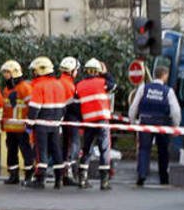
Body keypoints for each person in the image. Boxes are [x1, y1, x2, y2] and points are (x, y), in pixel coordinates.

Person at [128, 65, 181, 186]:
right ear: (165, 76)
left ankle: (142, 175)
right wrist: (175, 125)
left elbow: (134, 106)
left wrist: (132, 122)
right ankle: (163, 177)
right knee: (163, 151)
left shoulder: (144, 88)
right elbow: (175, 111)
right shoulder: (168, 91)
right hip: (163, 124)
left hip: (145, 122)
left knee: (144, 149)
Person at [75, 58, 117, 190]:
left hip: (88, 122)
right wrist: (105, 73)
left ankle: (82, 179)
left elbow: (76, 103)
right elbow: (114, 85)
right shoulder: (102, 82)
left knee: (86, 150)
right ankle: (104, 182)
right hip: (102, 121)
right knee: (104, 149)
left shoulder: (79, 85)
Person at [27, 56, 68, 189]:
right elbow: (63, 107)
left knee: (41, 152)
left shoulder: (39, 86)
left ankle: (40, 179)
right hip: (56, 124)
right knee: (57, 151)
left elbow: (34, 108)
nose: (33, 73)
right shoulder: (59, 84)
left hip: (42, 124)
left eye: (34, 71)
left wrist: (29, 124)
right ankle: (59, 179)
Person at [0, 59, 35, 185]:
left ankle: (29, 175)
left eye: (7, 72)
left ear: (14, 73)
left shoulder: (25, 88)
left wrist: (30, 125)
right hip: (10, 127)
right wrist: (2, 123)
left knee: (26, 151)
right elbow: (5, 108)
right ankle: (13, 175)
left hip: (22, 127)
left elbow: (31, 106)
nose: (5, 75)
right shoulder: (6, 90)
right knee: (11, 151)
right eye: (4, 72)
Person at [58, 56, 81, 185]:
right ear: (72, 71)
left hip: (60, 121)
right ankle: (70, 173)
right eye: (76, 70)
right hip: (70, 120)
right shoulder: (70, 85)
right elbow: (73, 106)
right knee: (74, 145)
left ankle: (63, 174)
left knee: (64, 147)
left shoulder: (59, 81)